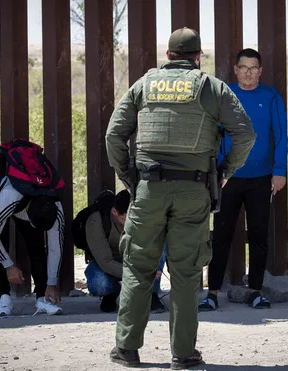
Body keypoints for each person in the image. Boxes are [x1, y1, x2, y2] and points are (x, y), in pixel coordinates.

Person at [105, 27, 256, 369]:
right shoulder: (211, 87)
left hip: (148, 189)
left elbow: (114, 134)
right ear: (198, 56)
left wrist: (130, 177)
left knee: (139, 267)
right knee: (186, 272)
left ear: (169, 55)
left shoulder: (144, 85)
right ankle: (183, 354)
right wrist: (226, 169)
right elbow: (245, 134)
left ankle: (127, 349)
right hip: (194, 189)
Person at [199, 48, 288, 312]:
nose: (248, 73)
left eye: (253, 68)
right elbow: (213, 134)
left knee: (259, 235)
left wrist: (279, 170)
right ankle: (212, 293)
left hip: (261, 179)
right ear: (235, 69)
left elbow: (281, 136)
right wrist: (218, 172)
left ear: (260, 71)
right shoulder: (223, 95)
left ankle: (256, 291)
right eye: (243, 68)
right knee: (221, 235)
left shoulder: (271, 96)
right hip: (229, 178)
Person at [0, 169, 64, 317]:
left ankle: (42, 298)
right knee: (1, 240)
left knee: (37, 246)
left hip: (31, 197)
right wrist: (9, 265)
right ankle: (4, 298)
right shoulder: (10, 197)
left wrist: (51, 283)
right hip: (0, 193)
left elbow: (55, 248)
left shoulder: (55, 208)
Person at [82, 189, 167, 313]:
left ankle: (151, 294)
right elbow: (105, 262)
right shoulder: (97, 221)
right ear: (114, 212)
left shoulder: (142, 217)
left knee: (160, 243)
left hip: (137, 258)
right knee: (98, 283)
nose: (132, 221)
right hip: (108, 264)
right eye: (126, 217)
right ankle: (111, 293)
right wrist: (139, 274)